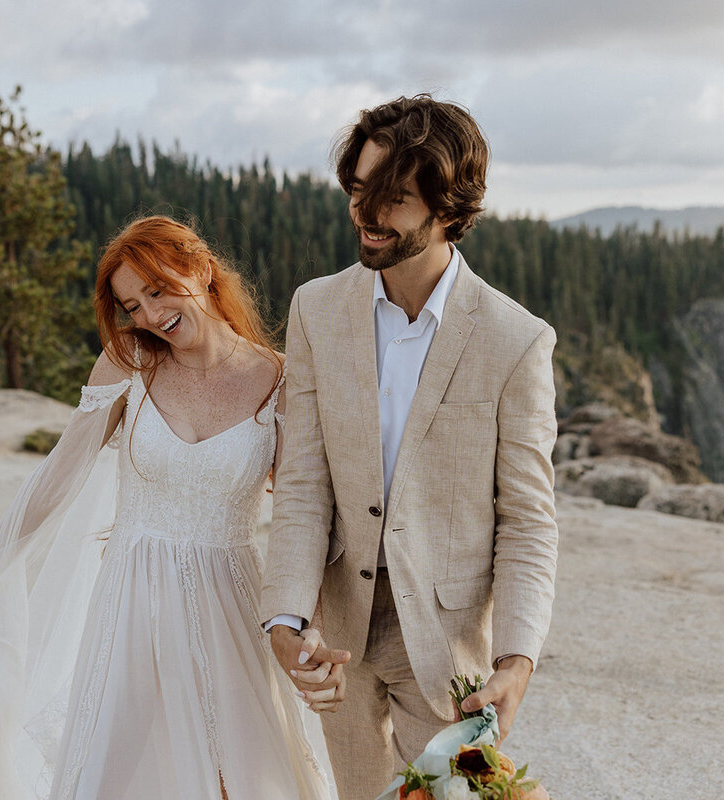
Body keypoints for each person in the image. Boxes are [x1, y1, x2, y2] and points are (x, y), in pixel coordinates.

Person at [0, 216, 333, 800]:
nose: (149, 316)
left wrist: (308, 619)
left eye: (156, 290)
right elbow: (60, 472)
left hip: (232, 602)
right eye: (132, 304)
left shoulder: (278, 379)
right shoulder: (130, 361)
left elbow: (306, 515)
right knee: (114, 773)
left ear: (201, 268)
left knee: (241, 777)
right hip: (131, 600)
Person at [261, 94, 560, 800]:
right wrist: (285, 619)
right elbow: (303, 482)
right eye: (359, 190)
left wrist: (515, 663)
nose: (367, 214)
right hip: (340, 637)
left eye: (393, 199)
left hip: (449, 645)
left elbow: (528, 519)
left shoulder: (516, 342)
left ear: (449, 210)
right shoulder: (315, 310)